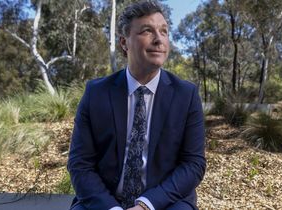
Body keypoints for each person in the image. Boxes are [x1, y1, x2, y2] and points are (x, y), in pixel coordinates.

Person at [67, 1, 206, 209]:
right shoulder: (96, 93)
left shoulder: (186, 95)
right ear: (124, 42)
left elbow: (193, 165)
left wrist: (145, 205)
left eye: (164, 31)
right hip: (104, 202)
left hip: (165, 202)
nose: (159, 39)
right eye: (147, 31)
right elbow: (80, 164)